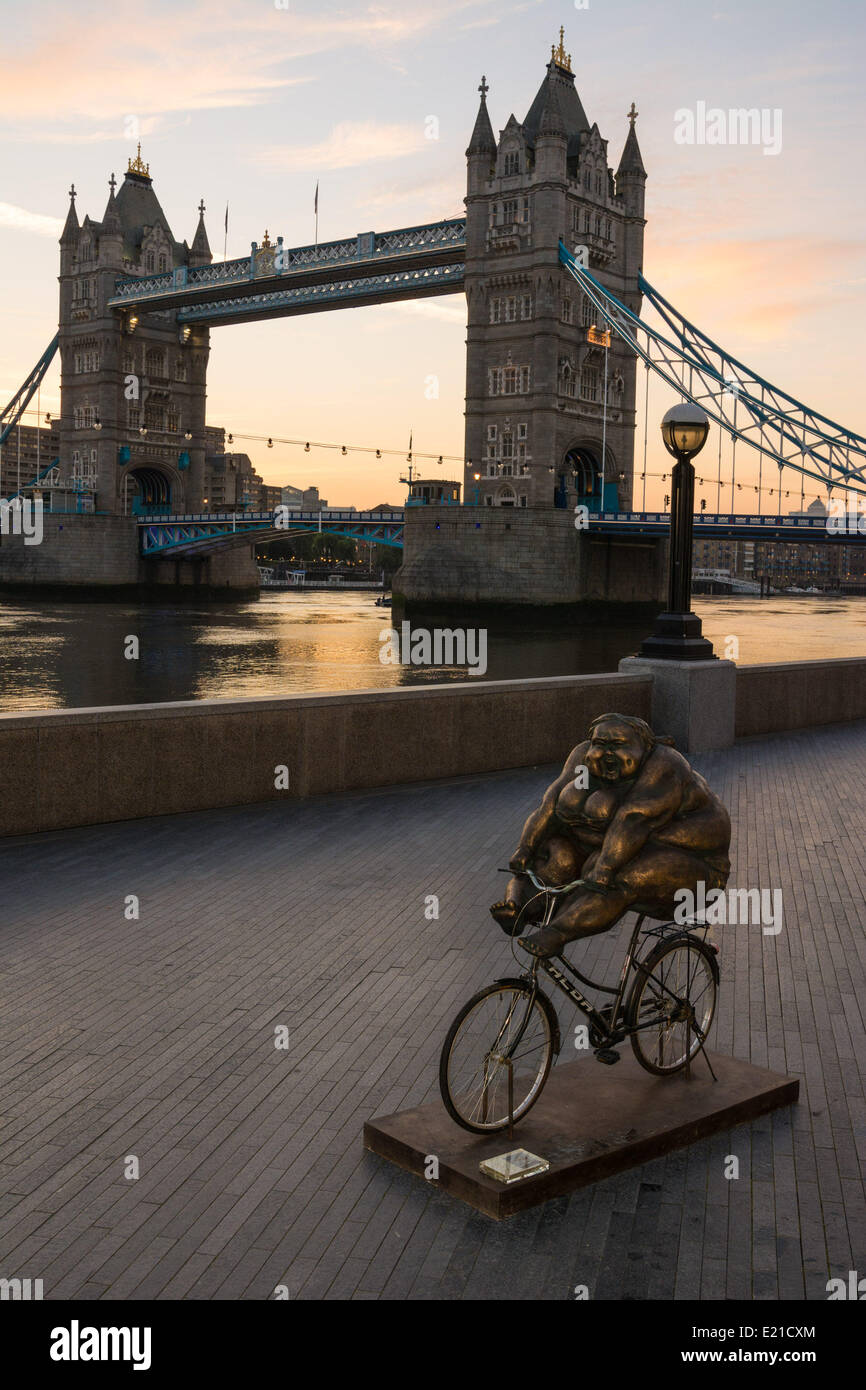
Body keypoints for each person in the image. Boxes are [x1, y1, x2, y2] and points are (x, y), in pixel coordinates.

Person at [490, 713, 731, 957]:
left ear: (644, 747)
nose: (607, 754)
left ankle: (557, 933)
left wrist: (605, 869)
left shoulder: (664, 765)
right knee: (555, 853)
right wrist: (525, 848)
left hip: (697, 867)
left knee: (619, 874)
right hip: (613, 848)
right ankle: (517, 909)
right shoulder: (582, 760)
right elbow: (550, 804)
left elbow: (633, 818)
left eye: (618, 746)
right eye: (600, 745)